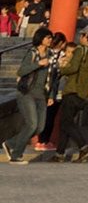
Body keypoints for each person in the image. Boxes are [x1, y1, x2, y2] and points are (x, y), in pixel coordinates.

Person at [53, 26, 88, 162]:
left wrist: (62, 69)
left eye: (81, 35)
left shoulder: (81, 50)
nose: (80, 38)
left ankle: (83, 147)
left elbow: (73, 67)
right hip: (83, 91)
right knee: (66, 122)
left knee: (66, 123)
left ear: (85, 36)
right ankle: (59, 153)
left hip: (73, 88)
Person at [4, 29, 53, 162]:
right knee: (32, 124)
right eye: (48, 37)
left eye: (51, 38)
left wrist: (51, 95)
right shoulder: (32, 53)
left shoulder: (50, 54)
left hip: (42, 94)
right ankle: (16, 155)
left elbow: (52, 77)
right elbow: (21, 71)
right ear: (40, 38)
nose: (50, 40)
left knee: (39, 127)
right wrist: (38, 64)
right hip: (27, 93)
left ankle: (10, 143)